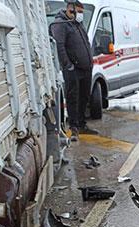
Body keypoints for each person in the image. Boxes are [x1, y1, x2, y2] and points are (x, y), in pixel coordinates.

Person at [50, 1, 98, 141]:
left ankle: (82, 124)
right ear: (71, 10)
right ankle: (74, 127)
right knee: (73, 99)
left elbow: (86, 43)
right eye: (80, 12)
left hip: (86, 68)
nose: (81, 15)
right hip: (73, 70)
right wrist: (68, 65)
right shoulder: (60, 24)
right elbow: (59, 46)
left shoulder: (77, 24)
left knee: (84, 97)